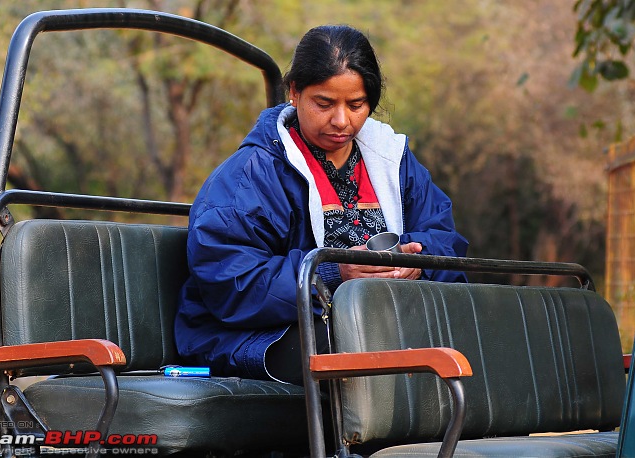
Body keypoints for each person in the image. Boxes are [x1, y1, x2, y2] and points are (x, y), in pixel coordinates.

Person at [175, 24, 468, 385]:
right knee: (362, 346)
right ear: (294, 92)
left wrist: (417, 264)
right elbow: (230, 282)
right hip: (255, 337)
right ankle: (351, 445)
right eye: (325, 104)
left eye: (356, 105)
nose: (341, 120)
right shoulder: (249, 175)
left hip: (375, 318)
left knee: (472, 329)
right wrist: (331, 275)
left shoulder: (394, 160)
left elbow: (445, 238)